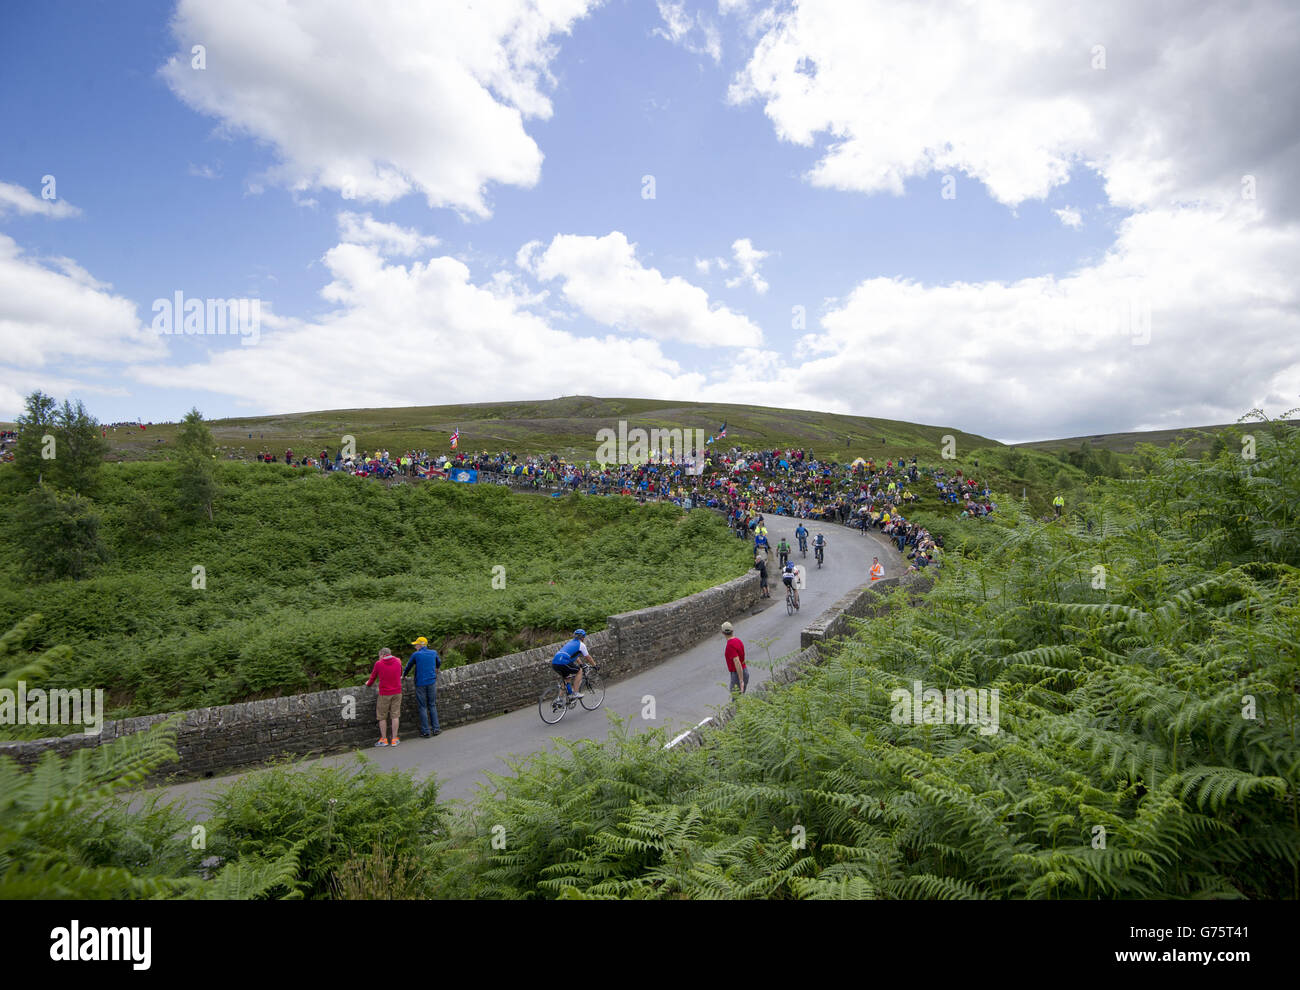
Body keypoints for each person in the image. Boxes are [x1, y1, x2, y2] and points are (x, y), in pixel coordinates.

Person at [403, 636, 441, 738]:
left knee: (423, 707)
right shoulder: (433, 652)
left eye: (416, 644)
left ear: (421, 645)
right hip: (431, 681)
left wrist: (403, 675)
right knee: (432, 705)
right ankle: (436, 728)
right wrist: (437, 668)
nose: (415, 646)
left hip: (420, 683)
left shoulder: (416, 655)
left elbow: (408, 666)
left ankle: (426, 731)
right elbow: (439, 662)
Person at [365, 647, 403, 747]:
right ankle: (394, 739)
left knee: (382, 716)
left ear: (382, 654)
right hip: (397, 691)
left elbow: (373, 677)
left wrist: (368, 684)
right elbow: (400, 673)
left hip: (384, 693)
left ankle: (384, 739)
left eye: (379, 656)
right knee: (395, 715)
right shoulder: (398, 661)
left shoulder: (379, 663)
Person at [550, 628, 590, 698]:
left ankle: (559, 699)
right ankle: (576, 693)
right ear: (583, 637)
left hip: (555, 663)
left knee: (566, 679)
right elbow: (588, 657)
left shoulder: (570, 643)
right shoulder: (581, 645)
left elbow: (575, 656)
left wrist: (581, 663)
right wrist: (595, 665)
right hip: (563, 662)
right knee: (579, 671)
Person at [721, 621, 748, 694]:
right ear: (732, 630)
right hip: (744, 670)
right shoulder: (738, 641)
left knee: (736, 700)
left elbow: (736, 661)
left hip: (737, 674)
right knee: (740, 698)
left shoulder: (730, 645)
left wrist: (741, 680)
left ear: (722, 632)